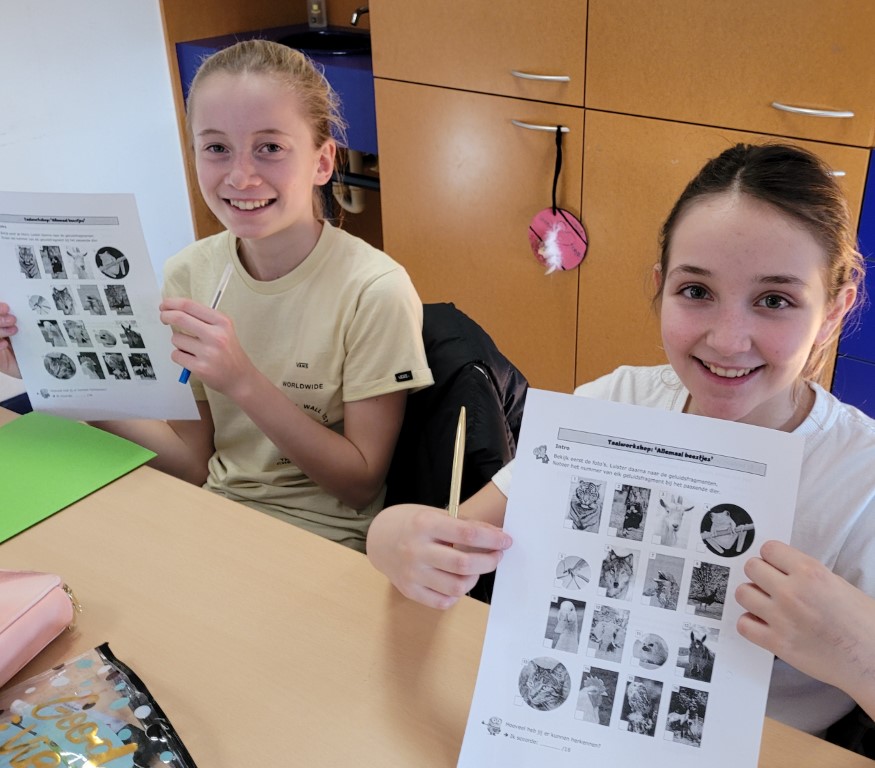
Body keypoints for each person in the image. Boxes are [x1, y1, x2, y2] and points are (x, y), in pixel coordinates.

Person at [365, 143, 875, 736]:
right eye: (696, 291)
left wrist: (854, 649)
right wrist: (392, 536)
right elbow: (458, 536)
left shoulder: (860, 476)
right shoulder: (616, 403)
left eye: (775, 301)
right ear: (660, 287)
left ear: (833, 312)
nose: (728, 339)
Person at [0, 40, 432, 553]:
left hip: (320, 538)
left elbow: (359, 485)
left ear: (322, 162)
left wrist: (243, 381)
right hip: (211, 513)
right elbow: (191, 465)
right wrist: (61, 378)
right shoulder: (190, 272)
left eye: (270, 148)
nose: (240, 176)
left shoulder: (375, 291)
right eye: (216, 148)